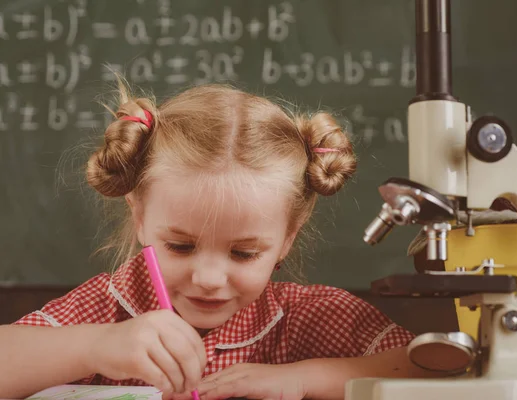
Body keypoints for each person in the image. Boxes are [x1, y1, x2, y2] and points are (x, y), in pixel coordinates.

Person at [0, 81, 439, 400]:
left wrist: (303, 380)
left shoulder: (307, 317)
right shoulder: (108, 307)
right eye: (181, 246)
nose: (209, 277)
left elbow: (429, 368)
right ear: (139, 215)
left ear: (288, 237)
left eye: (244, 253)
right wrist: (96, 346)